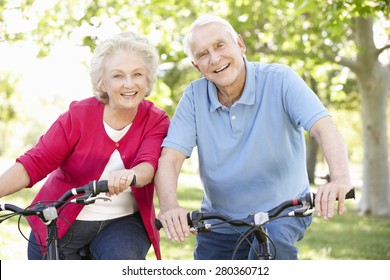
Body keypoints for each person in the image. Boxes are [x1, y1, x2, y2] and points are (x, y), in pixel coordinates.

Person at [154, 14, 352, 260]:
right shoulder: (194, 97)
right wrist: (170, 206)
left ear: (240, 44)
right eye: (203, 54)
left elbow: (325, 128)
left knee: (271, 248)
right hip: (220, 218)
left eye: (220, 45)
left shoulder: (280, 79)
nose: (215, 59)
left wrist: (340, 178)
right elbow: (170, 158)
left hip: (282, 213)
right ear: (197, 67)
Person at [0, 31, 170, 260]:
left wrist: (130, 175)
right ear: (102, 82)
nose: (129, 84)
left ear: (148, 79)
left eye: (137, 74)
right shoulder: (77, 116)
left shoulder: (156, 119)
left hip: (123, 223)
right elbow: (34, 163)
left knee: (123, 259)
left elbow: (147, 166)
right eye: (118, 76)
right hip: (60, 220)